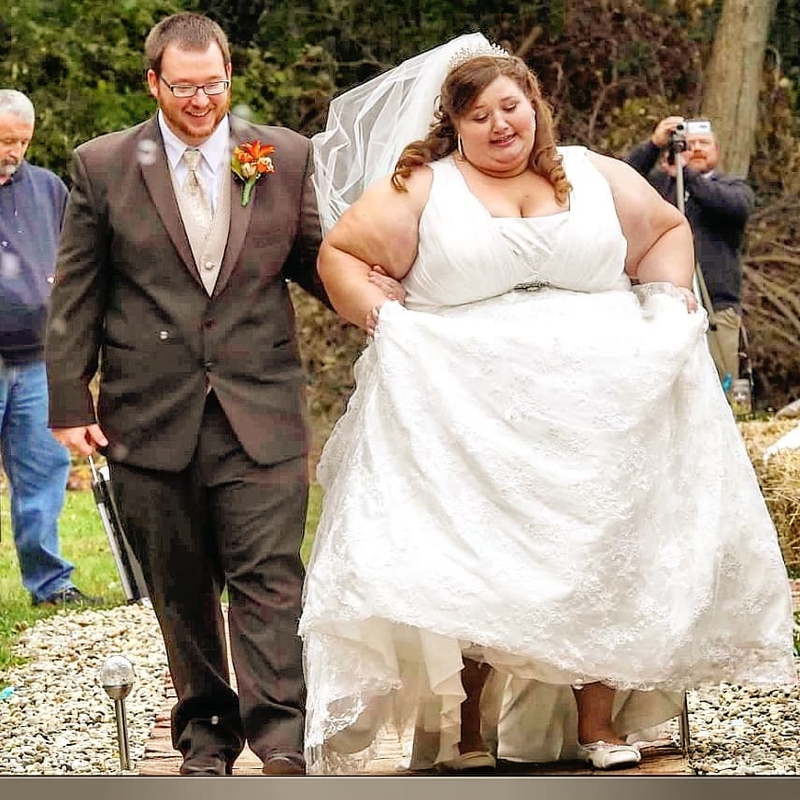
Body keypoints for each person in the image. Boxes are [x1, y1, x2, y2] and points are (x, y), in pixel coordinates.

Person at [298, 35, 797, 775]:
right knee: (472, 564)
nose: (500, 125)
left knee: (605, 556)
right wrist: (383, 316)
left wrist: (667, 306)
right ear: (455, 125)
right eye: (478, 115)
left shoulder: (592, 174)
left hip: (599, 410)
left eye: (511, 106)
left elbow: (664, 230)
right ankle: (468, 735)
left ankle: (597, 729)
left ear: (535, 106)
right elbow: (339, 255)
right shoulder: (423, 185)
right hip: (469, 411)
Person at [44, 12, 328, 777]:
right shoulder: (103, 165)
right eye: (184, 88)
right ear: (154, 82)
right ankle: (206, 735)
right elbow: (78, 293)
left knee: (270, 576)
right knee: (180, 581)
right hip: (150, 409)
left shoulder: (285, 156)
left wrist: (390, 306)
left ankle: (281, 739)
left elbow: (317, 261)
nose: (202, 102)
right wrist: (69, 402)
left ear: (229, 77)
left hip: (259, 406)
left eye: (214, 85)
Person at [0, 89, 100, 608]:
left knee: (42, 476)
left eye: (20, 141)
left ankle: (51, 584)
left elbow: (75, 262)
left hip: (38, 360)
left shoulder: (48, 188)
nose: (11, 151)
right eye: (2, 141)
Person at [626, 115, 755, 385]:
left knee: (721, 380)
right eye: (689, 143)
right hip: (665, 300)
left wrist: (686, 174)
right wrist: (653, 144)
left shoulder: (733, 187)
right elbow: (623, 179)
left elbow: (733, 208)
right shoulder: (661, 187)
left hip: (717, 304)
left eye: (704, 143)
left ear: (717, 151)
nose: (696, 148)